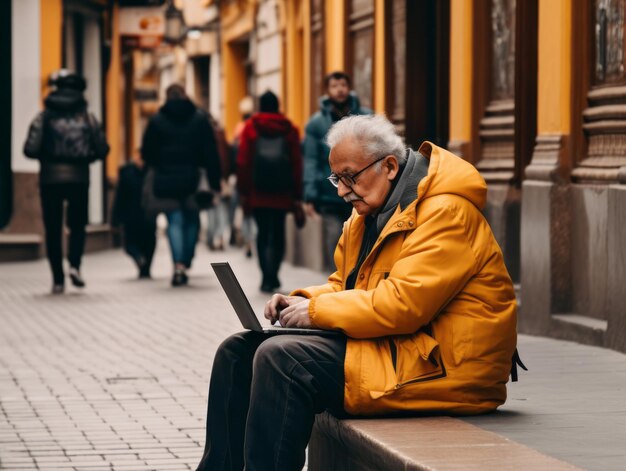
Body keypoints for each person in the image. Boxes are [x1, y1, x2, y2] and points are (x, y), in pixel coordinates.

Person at [196, 114, 519, 471]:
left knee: (283, 359)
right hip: (398, 347)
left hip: (444, 367)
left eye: (350, 176)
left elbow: (403, 305)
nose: (341, 190)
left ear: (390, 167)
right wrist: (302, 300)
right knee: (238, 351)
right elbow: (345, 285)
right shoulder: (368, 213)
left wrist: (316, 312)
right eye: (337, 177)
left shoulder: (446, 214)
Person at [23, 69, 109, 294]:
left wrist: (47, 155)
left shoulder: (44, 116)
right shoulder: (88, 117)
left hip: (50, 179)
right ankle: (75, 266)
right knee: (78, 225)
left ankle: (57, 278)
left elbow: (30, 148)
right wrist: (86, 158)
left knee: (52, 228)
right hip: (79, 178)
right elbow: (102, 148)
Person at [141, 84, 221, 286]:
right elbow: (211, 152)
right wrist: (214, 182)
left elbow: (146, 152)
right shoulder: (199, 119)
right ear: (185, 96)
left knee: (174, 221)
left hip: (165, 178)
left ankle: (178, 266)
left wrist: (159, 163)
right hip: (193, 178)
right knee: (192, 219)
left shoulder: (157, 121)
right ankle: (186, 258)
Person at [303, 71, 372, 271]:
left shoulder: (365, 116)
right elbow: (311, 160)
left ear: (349, 87)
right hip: (330, 194)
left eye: (343, 84)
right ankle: (338, 280)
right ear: (327, 90)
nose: (340, 89)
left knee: (362, 240)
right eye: (334, 86)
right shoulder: (316, 123)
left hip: (362, 190)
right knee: (335, 240)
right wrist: (310, 194)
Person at [236, 90, 303, 292]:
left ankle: (266, 276)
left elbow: (243, 161)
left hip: (258, 192)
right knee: (278, 233)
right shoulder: (289, 128)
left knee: (263, 233)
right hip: (282, 192)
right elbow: (296, 163)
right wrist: (297, 193)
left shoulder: (251, 127)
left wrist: (244, 191)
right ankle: (274, 274)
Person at [111, 161, 156, 279]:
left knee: (146, 244)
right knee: (135, 244)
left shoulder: (152, 170)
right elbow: (119, 197)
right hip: (135, 215)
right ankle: (141, 262)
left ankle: (144, 268)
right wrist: (115, 219)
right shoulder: (127, 172)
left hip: (144, 215)